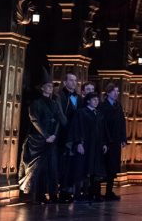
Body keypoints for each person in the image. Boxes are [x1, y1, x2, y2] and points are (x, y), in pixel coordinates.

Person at [19, 75, 67, 204]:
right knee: (36, 169)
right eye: (48, 86)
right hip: (37, 140)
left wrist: (54, 135)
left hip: (51, 140)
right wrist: (46, 135)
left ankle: (52, 194)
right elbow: (35, 120)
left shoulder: (54, 103)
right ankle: (35, 196)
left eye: (51, 86)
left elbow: (59, 120)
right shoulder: (36, 103)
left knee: (51, 168)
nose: (50, 88)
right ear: (42, 88)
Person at [68, 92, 107, 202]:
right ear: (88, 101)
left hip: (96, 146)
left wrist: (104, 143)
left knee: (95, 169)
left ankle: (94, 194)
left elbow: (102, 130)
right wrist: (78, 143)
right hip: (85, 145)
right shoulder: (81, 113)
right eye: (94, 99)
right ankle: (78, 195)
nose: (96, 101)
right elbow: (76, 128)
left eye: (97, 100)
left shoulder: (99, 114)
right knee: (82, 169)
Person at [98, 83, 127, 201]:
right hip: (106, 140)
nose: (116, 93)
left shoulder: (118, 105)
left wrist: (123, 138)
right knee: (103, 166)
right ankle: (97, 192)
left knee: (113, 167)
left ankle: (109, 191)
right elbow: (101, 125)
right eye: (114, 91)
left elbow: (122, 122)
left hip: (115, 141)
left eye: (117, 91)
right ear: (108, 92)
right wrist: (103, 141)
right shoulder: (102, 106)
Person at [56, 72, 81, 202]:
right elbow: (60, 114)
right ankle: (61, 192)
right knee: (62, 164)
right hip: (63, 133)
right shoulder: (60, 96)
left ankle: (68, 191)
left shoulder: (78, 97)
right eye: (71, 80)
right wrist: (68, 127)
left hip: (74, 134)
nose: (73, 83)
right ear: (65, 82)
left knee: (71, 164)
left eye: (75, 80)